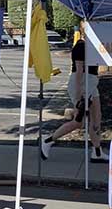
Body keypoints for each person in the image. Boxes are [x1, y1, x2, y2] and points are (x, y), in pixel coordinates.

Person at [41, 21, 108, 162]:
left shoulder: (93, 47)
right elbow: (78, 72)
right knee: (78, 121)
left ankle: (97, 151)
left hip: (91, 83)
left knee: (97, 118)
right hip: (82, 83)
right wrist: (78, 98)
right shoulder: (80, 47)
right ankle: (48, 141)